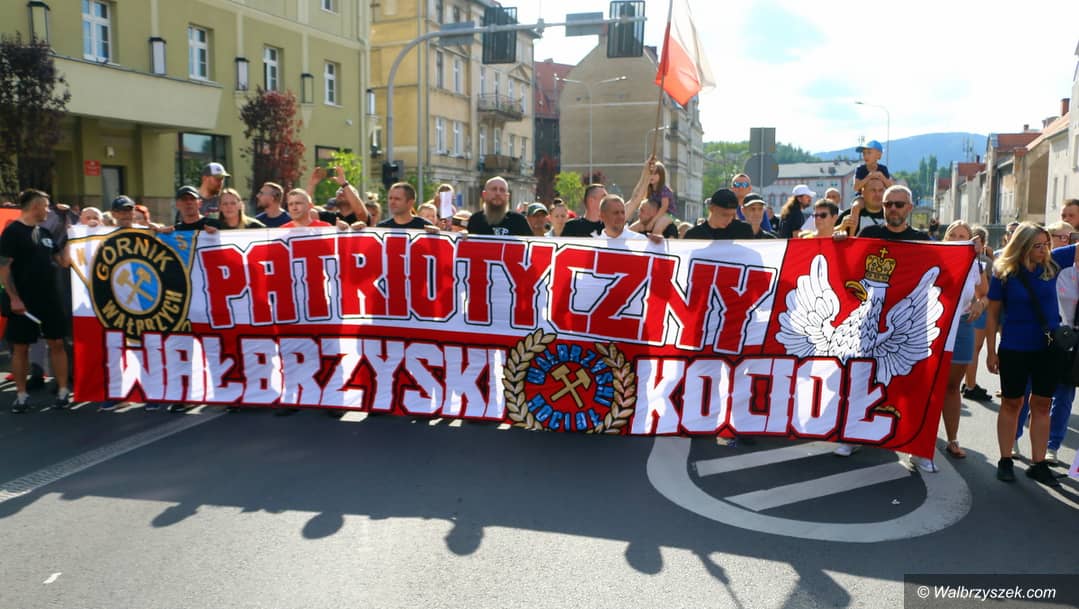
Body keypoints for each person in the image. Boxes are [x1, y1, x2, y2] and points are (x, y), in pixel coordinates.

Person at [833, 186, 936, 472]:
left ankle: (917, 448)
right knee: (859, 379)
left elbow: (945, 275)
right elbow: (848, 269)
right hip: (867, 322)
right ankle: (852, 436)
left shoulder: (923, 240)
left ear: (909, 208)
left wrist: (969, 253)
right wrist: (840, 242)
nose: (893, 209)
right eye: (888, 204)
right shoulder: (869, 234)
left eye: (899, 204)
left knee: (913, 387)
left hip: (907, 321)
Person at [984, 222, 1061, 487]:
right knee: (1012, 403)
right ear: (1023, 246)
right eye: (1038, 245)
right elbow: (993, 315)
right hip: (1014, 347)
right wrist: (990, 351)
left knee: (1042, 404)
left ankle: (1039, 464)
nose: (1044, 250)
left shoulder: (1052, 266)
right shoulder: (1004, 272)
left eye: (1046, 244)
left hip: (1048, 348)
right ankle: (1005, 460)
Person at [0, 189, 73, 413]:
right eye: (46, 206)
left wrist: (72, 236)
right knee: (21, 347)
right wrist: (14, 298)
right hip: (24, 300)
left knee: (57, 343)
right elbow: (3, 268)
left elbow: (63, 262)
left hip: (49, 299)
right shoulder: (13, 232)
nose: (48, 211)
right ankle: (21, 396)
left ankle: (63, 392)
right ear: (35, 207)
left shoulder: (45, 233)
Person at [940, 221, 988, 458]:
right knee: (929, 386)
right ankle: (920, 441)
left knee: (951, 386)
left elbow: (985, 294)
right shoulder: (934, 258)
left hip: (962, 326)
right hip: (934, 326)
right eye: (953, 235)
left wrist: (980, 304)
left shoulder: (975, 265)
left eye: (963, 236)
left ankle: (952, 439)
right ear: (945, 238)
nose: (958, 240)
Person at [962, 226, 994, 400]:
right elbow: (990, 287)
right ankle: (970, 384)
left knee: (972, 348)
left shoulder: (983, 260)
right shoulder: (983, 261)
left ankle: (968, 382)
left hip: (975, 305)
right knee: (974, 348)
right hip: (979, 307)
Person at [466, 176, 531, 236]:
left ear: (507, 196)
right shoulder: (475, 220)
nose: (498, 193)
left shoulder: (519, 221)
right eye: (494, 189)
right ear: (484, 194)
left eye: (502, 190)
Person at [683, 189, 754, 240]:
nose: (729, 220)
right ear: (711, 208)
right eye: (724, 215)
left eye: (732, 215)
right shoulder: (694, 235)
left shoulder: (743, 230)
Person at [594, 195, 661, 242]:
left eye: (622, 212)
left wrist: (659, 246)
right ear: (602, 216)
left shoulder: (639, 240)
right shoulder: (596, 245)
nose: (621, 217)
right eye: (616, 213)